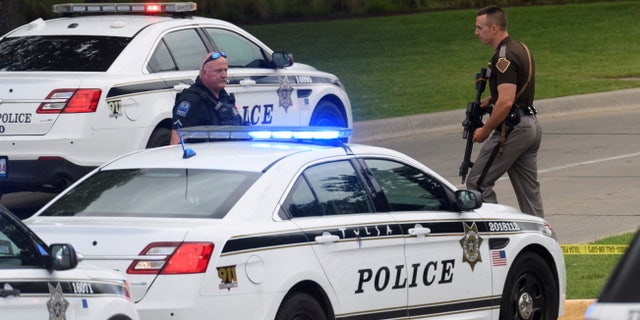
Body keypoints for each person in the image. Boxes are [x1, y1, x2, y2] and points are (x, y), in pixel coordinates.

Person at [466, 5, 544, 217]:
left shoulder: (503, 58)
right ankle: (543, 240)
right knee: (530, 195)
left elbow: (507, 102)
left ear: (493, 28)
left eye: (479, 27)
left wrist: (485, 130)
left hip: (513, 128)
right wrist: (492, 98)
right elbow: (514, 91)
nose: (476, 32)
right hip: (530, 125)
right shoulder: (520, 48)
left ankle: (497, 230)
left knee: (477, 184)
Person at [170, 51, 243, 144]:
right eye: (218, 71)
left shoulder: (225, 98)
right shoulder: (191, 101)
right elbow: (177, 142)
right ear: (204, 73)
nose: (224, 75)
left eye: (225, 70)